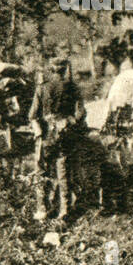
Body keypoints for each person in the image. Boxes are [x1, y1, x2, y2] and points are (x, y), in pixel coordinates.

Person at [29, 55, 85, 223]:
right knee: (63, 173)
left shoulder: (42, 88)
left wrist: (39, 131)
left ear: (51, 69)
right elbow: (81, 113)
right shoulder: (72, 87)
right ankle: (64, 211)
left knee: (40, 172)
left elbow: (32, 115)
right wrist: (69, 121)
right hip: (64, 134)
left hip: (45, 136)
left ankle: (42, 210)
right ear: (65, 69)